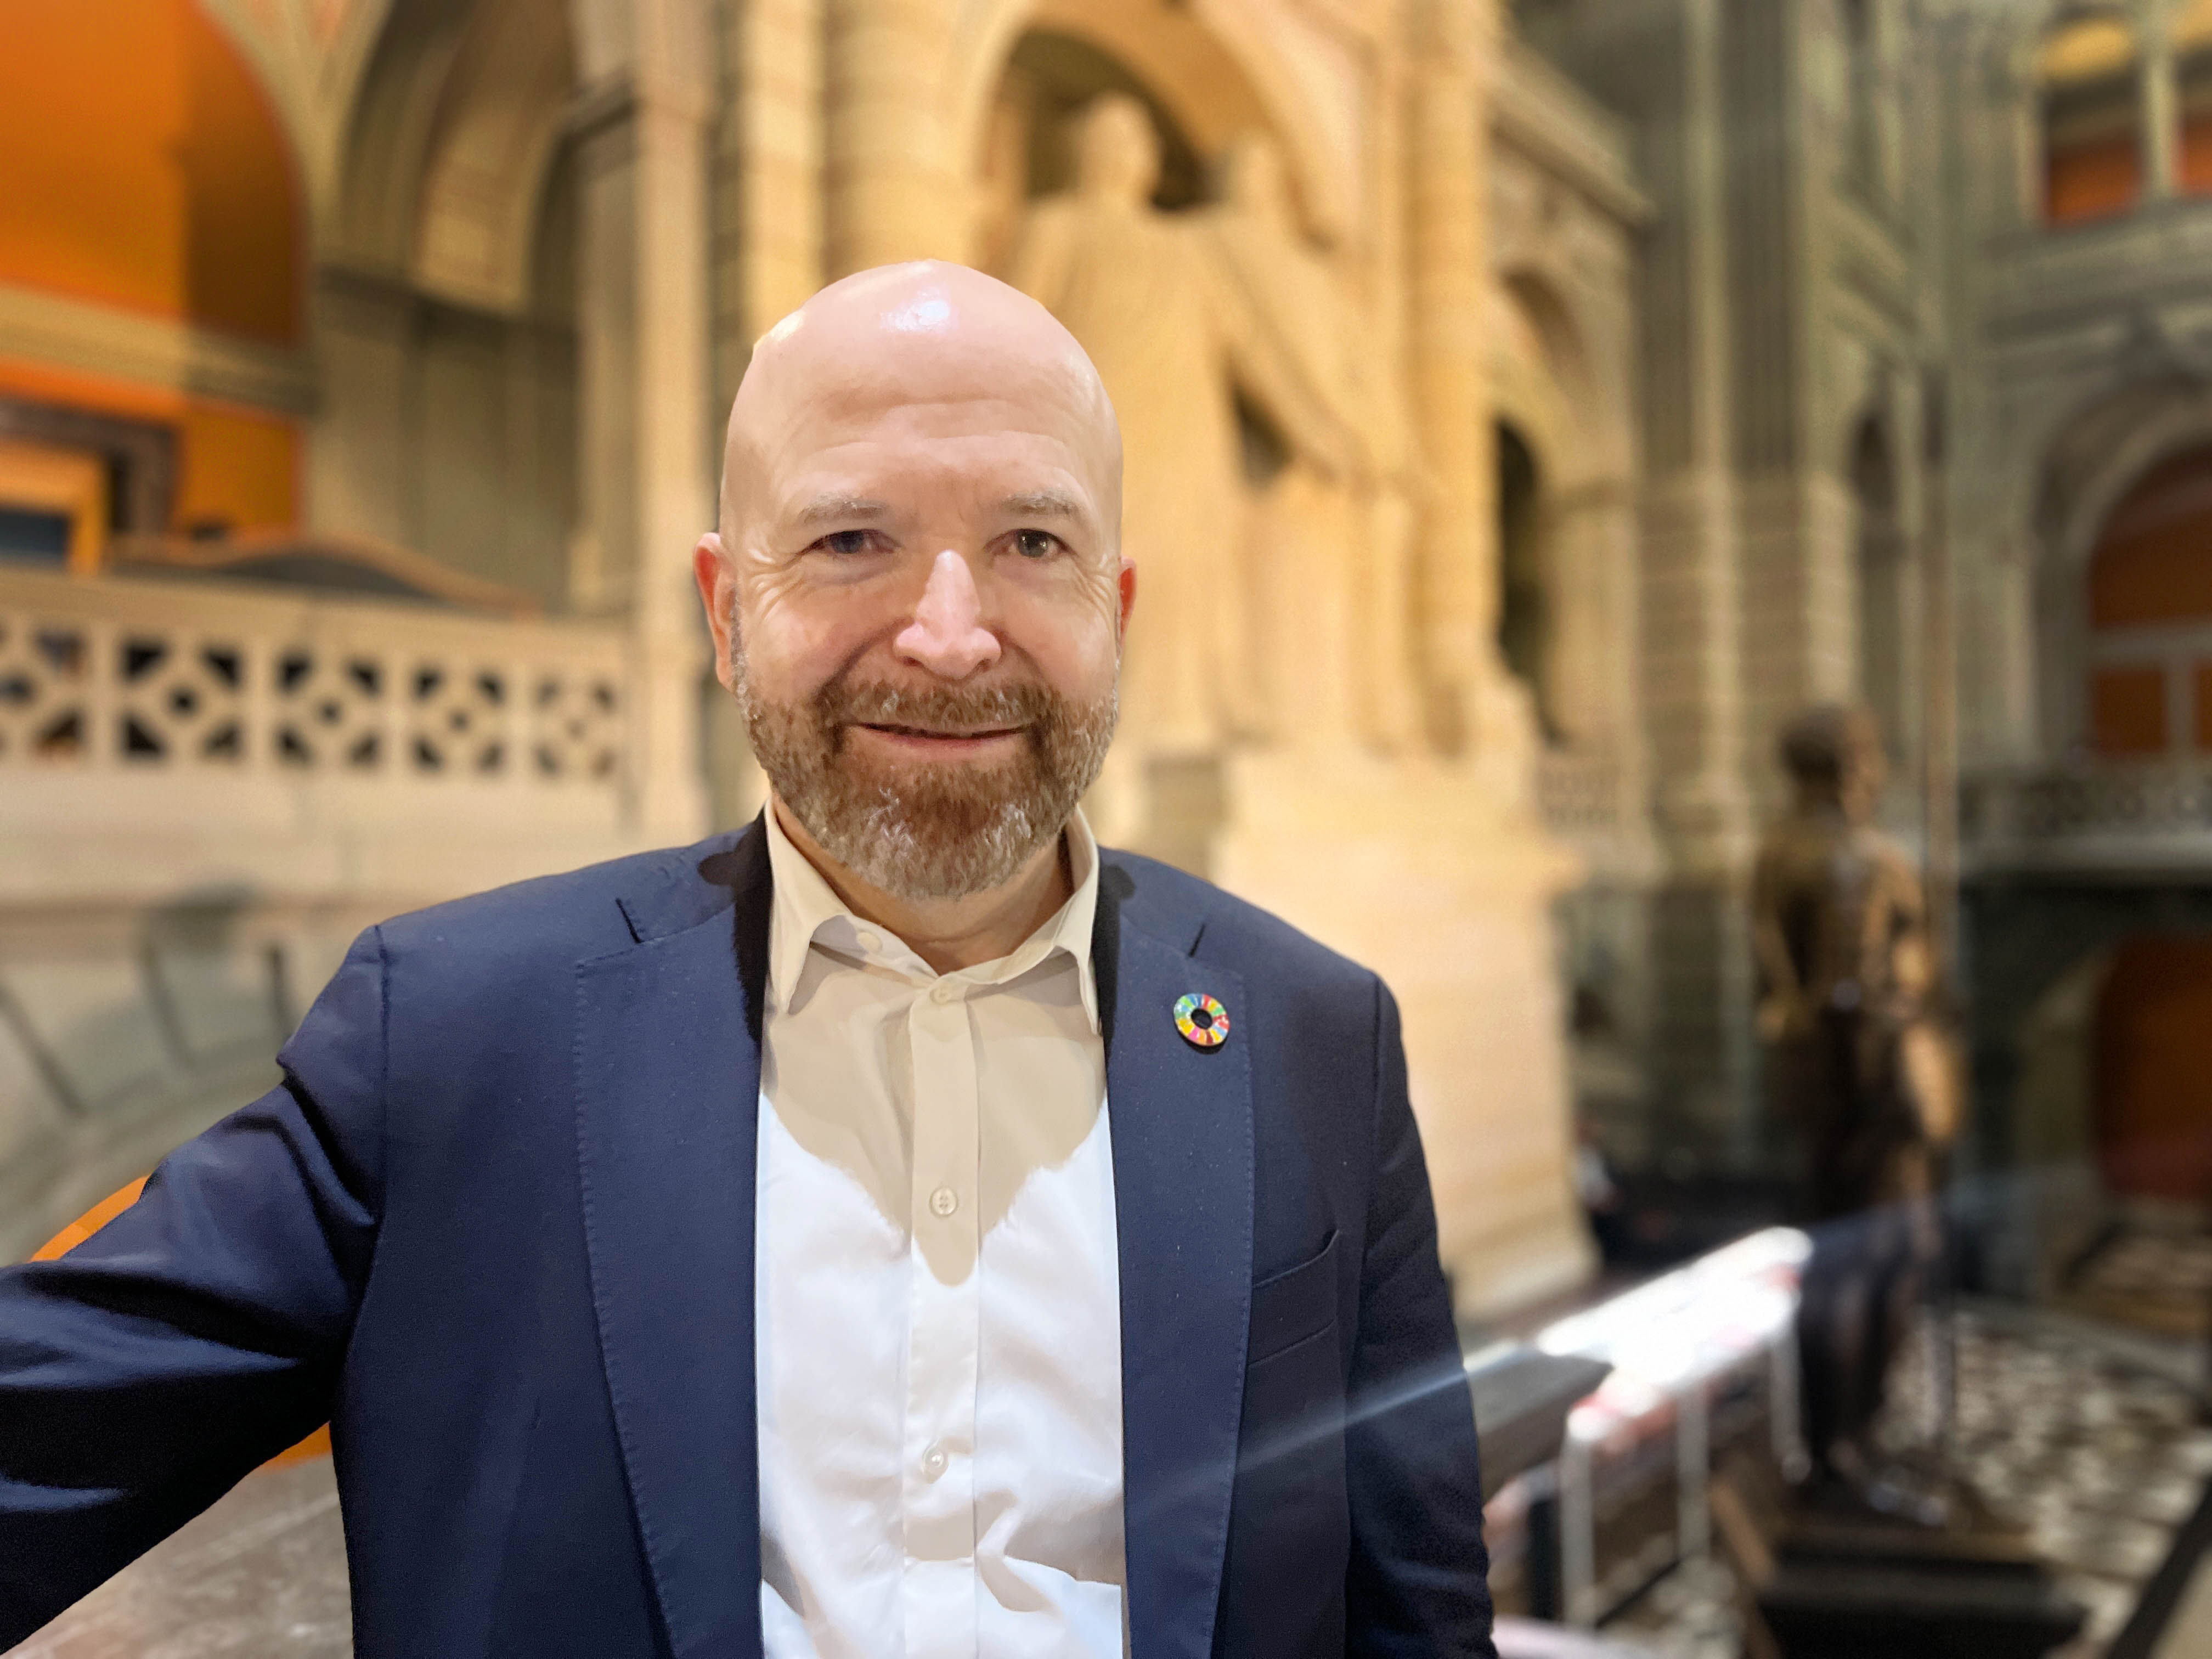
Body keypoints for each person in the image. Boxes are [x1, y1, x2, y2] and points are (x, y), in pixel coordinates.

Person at [0, 263, 1496, 1657]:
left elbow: (1411, 1606)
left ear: (1115, 613)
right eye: (854, 541)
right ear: (728, 612)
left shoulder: (1317, 1036)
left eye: (1031, 543)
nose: (950, 633)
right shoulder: (452, 1038)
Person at [1752, 704, 1956, 1513]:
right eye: (1867, 758)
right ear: (1844, 767)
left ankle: (1842, 1446)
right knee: (1877, 1263)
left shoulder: (1779, 851)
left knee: (1848, 1267)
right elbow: (1852, 995)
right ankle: (1846, 1450)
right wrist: (1879, 1110)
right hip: (1868, 1106)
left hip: (1828, 1103)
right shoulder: (1850, 860)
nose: (1876, 774)